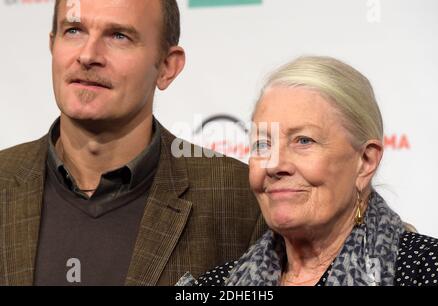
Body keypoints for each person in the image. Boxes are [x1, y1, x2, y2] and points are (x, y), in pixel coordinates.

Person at [0, 0, 265, 286]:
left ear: (167, 66)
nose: (88, 55)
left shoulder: (239, 200)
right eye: (74, 31)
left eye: (119, 36)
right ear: (53, 45)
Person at [191, 56, 438, 286]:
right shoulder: (216, 284)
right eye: (262, 144)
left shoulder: (431, 271)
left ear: (366, 160)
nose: (274, 165)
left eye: (303, 141)